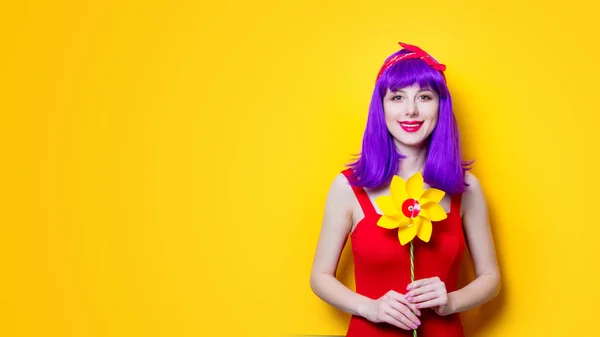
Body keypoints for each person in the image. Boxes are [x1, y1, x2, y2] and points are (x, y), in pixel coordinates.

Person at [309, 42, 501, 337]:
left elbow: (491, 278)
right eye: (397, 97)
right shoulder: (348, 187)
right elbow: (320, 277)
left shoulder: (467, 188)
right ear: (381, 107)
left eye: (424, 97)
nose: (411, 110)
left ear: (441, 105)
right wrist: (369, 308)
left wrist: (451, 301)